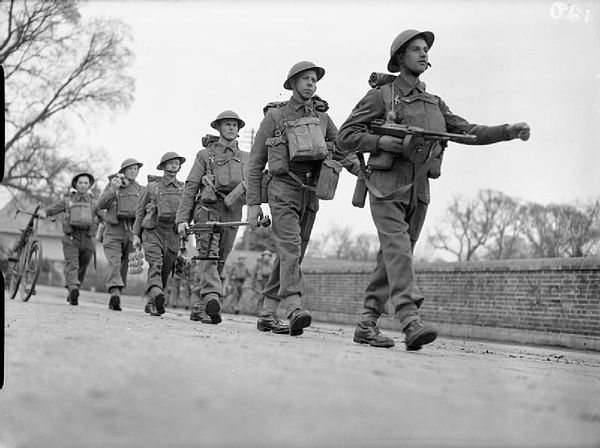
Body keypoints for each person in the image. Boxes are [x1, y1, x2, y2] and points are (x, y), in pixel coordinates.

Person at [336, 29, 530, 350]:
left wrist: (507, 131)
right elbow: (345, 136)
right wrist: (380, 141)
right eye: (415, 49)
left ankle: (367, 323)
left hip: (419, 190)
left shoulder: (434, 102)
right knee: (398, 251)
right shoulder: (382, 96)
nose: (424, 54)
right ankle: (411, 320)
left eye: (425, 49)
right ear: (400, 58)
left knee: (394, 256)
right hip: (385, 186)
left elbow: (469, 132)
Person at [246, 61, 359, 336]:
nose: (311, 83)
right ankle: (294, 307)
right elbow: (254, 163)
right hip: (282, 188)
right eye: (306, 79)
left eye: (314, 80)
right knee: (291, 246)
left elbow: (343, 149)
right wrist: (252, 204)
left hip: (311, 191)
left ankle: (267, 312)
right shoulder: (275, 117)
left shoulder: (323, 119)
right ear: (293, 84)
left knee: (294, 252)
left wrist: (364, 172)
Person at [176, 111, 249, 324]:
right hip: (208, 209)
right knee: (208, 255)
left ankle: (200, 306)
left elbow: (253, 185)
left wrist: (256, 208)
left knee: (222, 257)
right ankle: (213, 299)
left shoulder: (245, 157)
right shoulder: (205, 155)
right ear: (218, 128)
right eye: (227, 124)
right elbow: (190, 187)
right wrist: (182, 219)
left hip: (234, 211)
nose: (232, 128)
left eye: (235, 125)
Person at [132, 152, 186, 316]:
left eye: (177, 163)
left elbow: (187, 212)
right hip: (153, 231)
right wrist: (136, 234)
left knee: (166, 268)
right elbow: (140, 212)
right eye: (170, 163)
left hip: (173, 234)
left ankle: (154, 301)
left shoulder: (184, 188)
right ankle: (157, 293)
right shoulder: (152, 187)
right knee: (156, 264)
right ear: (162, 167)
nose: (174, 165)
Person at [39, 172, 103, 305]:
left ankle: (74, 289)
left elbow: (104, 217)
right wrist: (43, 212)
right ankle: (73, 288)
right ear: (75, 184)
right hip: (71, 238)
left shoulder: (94, 202)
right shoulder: (67, 201)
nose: (83, 185)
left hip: (88, 239)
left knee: (83, 266)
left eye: (86, 183)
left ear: (89, 185)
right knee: (72, 264)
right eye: (80, 183)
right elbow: (52, 208)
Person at [97, 158, 144, 311]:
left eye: (136, 169)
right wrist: (112, 189)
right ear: (123, 170)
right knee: (115, 262)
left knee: (124, 265)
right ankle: (114, 292)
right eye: (130, 168)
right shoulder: (114, 185)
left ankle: (117, 292)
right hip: (113, 231)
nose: (133, 171)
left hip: (131, 232)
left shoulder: (140, 190)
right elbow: (101, 204)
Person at [251, 250, 273, 314]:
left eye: (268, 255)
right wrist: (252, 284)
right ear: (262, 256)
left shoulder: (271, 265)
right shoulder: (258, 264)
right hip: (259, 281)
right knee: (260, 296)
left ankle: (264, 311)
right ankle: (258, 310)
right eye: (265, 255)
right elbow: (253, 274)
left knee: (266, 297)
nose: (266, 257)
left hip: (268, 282)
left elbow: (274, 275)